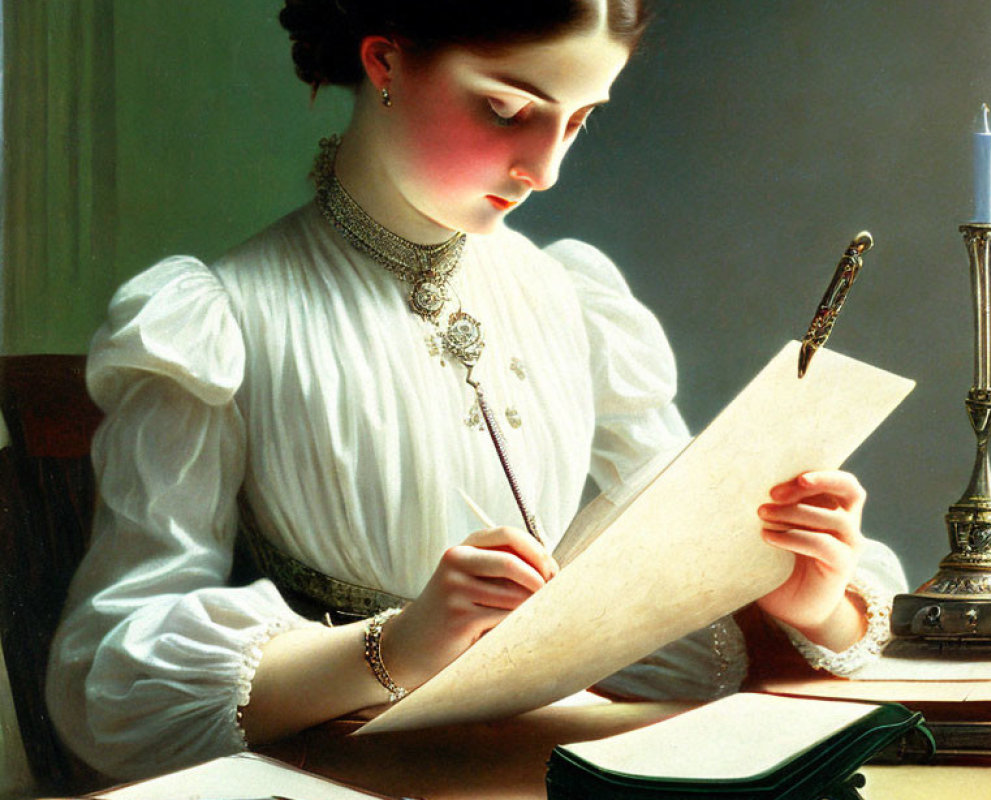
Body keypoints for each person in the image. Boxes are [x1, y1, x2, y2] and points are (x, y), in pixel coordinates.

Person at [46, 0, 905, 782]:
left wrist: (806, 594)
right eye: (507, 110)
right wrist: (398, 645)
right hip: (350, 770)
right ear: (384, 63)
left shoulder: (571, 298)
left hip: (559, 758)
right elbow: (109, 678)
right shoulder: (223, 319)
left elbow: (677, 555)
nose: (545, 169)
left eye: (579, 121)